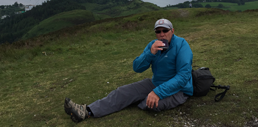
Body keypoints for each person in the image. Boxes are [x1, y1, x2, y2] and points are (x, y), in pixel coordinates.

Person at [64, 18, 193, 124]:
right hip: (156, 83)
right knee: (122, 92)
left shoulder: (182, 45)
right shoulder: (153, 45)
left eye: (165, 30)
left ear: (172, 31)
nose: (162, 34)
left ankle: (141, 99)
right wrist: (150, 53)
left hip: (180, 90)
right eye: (158, 31)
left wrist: (157, 92)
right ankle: (86, 111)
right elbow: (137, 67)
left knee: (151, 105)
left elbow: (183, 76)